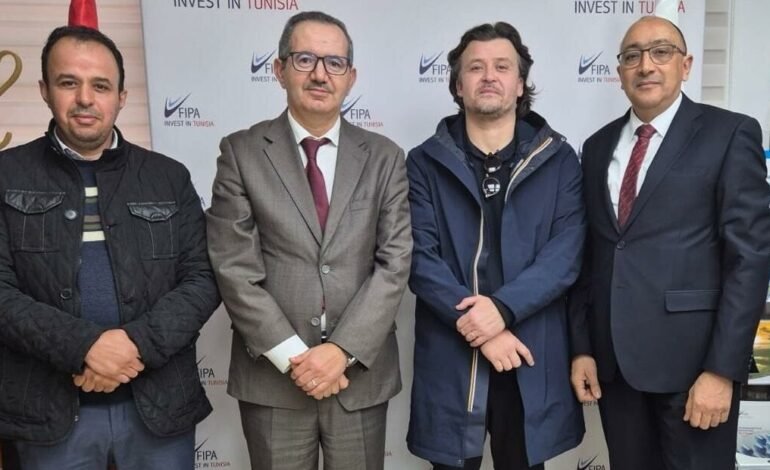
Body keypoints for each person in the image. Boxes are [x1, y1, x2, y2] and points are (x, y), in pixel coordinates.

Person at [0, 25, 220, 469]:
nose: (85, 98)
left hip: (160, 410)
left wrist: (134, 344)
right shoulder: (7, 174)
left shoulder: (168, 177)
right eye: (68, 82)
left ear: (121, 97)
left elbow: (203, 278)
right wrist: (84, 347)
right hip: (47, 415)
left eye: (100, 86)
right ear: (44, 90)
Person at [206, 11, 412, 470]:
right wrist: (296, 358)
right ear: (279, 69)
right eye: (305, 59)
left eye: (334, 63)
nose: (320, 74)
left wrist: (340, 352)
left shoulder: (385, 158)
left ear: (350, 77)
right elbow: (234, 266)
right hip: (273, 378)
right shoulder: (241, 153)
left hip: (357, 377)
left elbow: (395, 262)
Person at [569, 15, 770, 469]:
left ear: (686, 64)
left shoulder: (729, 133)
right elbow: (589, 256)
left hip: (694, 369)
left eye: (661, 52)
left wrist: (722, 370)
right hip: (615, 368)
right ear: (619, 72)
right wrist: (582, 347)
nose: (646, 66)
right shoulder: (596, 147)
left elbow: (749, 259)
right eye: (632, 56)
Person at [406, 21, 585, 470]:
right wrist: (482, 327)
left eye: (502, 67)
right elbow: (418, 258)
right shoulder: (423, 162)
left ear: (520, 83)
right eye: (476, 67)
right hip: (454, 354)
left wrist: (502, 311)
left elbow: (564, 256)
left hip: (527, 354)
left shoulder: (560, 160)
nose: (489, 76)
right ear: (458, 85)